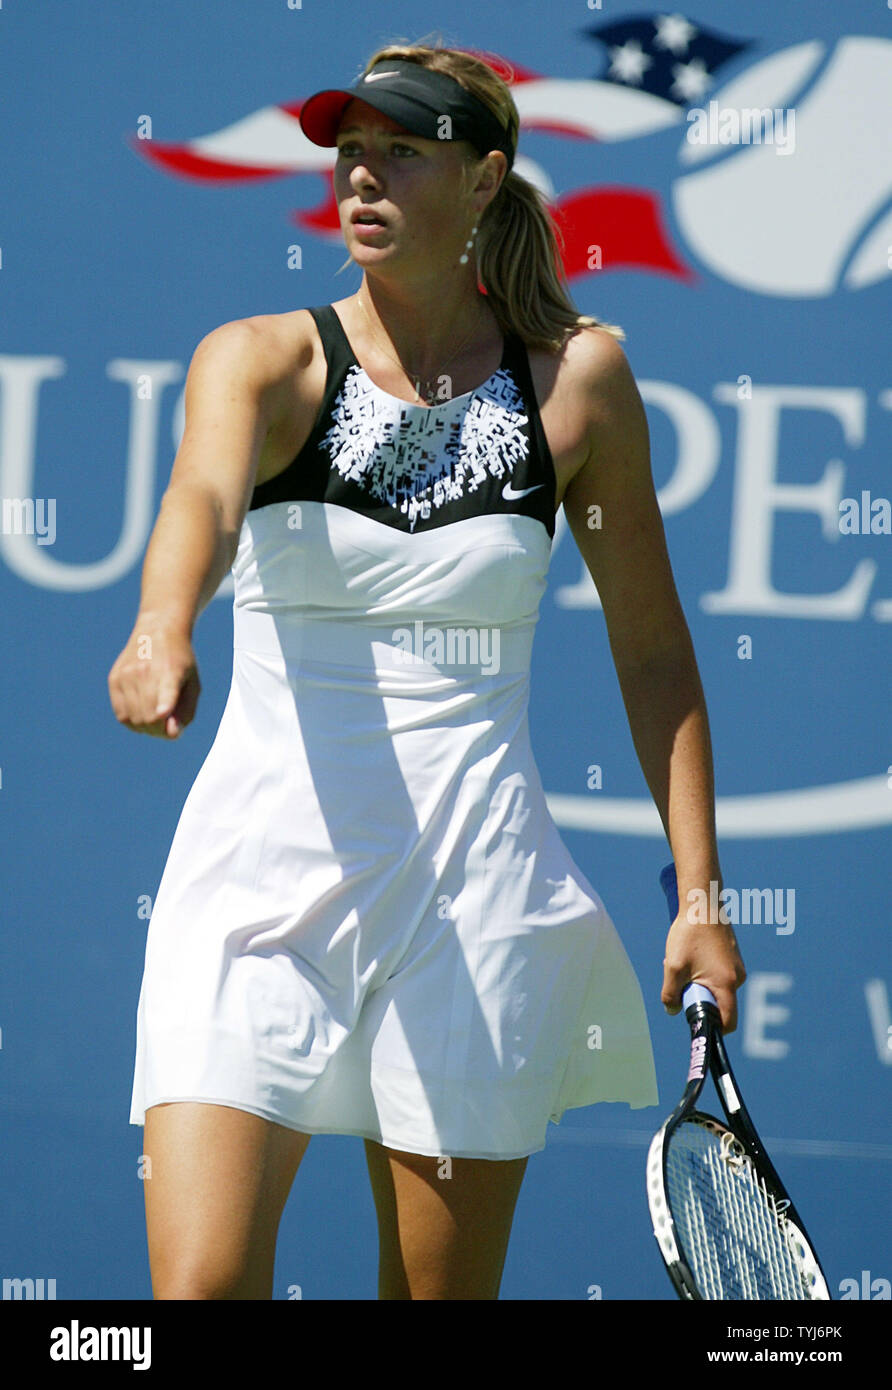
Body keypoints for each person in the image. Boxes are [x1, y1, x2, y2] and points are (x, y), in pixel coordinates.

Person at [108, 38, 745, 1301]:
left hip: (477, 904)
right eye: (350, 149)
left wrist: (703, 896)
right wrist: (159, 625)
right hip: (255, 896)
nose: (362, 174)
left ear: (485, 177)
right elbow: (197, 498)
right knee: (192, 1296)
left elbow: (656, 652)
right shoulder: (259, 359)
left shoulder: (578, 388)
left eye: (404, 150)